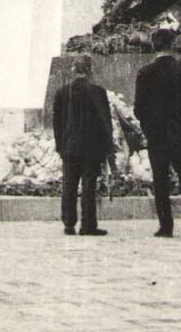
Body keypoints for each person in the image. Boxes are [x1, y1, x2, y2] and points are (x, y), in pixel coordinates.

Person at [133, 26, 181, 237]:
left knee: (160, 180)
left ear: (154, 46)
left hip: (157, 136)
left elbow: (139, 109)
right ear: (173, 45)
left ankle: (166, 226)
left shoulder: (145, 73)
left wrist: (150, 129)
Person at [51, 54, 116, 236]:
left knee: (69, 186)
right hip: (92, 148)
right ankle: (88, 225)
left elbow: (57, 123)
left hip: (69, 147)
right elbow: (105, 122)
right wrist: (108, 148)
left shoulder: (62, 92)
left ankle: (69, 223)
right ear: (89, 70)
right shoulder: (97, 91)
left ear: (74, 70)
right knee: (89, 186)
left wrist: (60, 146)